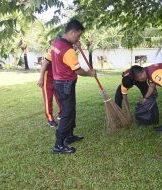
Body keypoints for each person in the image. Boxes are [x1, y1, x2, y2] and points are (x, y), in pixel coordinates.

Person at [45, 20, 96, 154]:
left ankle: (69, 136)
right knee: (67, 114)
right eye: (78, 36)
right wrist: (90, 74)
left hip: (59, 83)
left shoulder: (56, 42)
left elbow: (57, 57)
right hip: (66, 84)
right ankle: (58, 145)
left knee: (70, 111)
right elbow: (78, 70)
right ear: (72, 32)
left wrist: (74, 45)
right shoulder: (68, 51)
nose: (78, 39)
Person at [37, 51, 61, 127]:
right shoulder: (52, 51)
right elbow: (43, 64)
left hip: (57, 79)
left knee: (59, 97)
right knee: (48, 99)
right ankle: (50, 119)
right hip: (47, 79)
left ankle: (61, 114)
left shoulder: (65, 50)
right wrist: (41, 78)